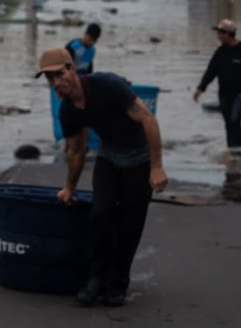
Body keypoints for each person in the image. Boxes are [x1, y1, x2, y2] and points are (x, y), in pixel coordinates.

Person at [35, 47, 168, 307]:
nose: (55, 83)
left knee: (129, 224)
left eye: (58, 75)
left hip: (140, 160)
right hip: (109, 158)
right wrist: (69, 188)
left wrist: (156, 167)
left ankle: (117, 284)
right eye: (49, 79)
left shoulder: (108, 85)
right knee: (100, 213)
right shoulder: (68, 111)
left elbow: (148, 119)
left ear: (72, 69)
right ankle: (95, 279)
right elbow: (76, 152)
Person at [193, 19, 241, 155]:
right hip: (224, 94)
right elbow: (210, 72)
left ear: (228, 34)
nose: (218, 36)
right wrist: (200, 89)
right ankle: (232, 151)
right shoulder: (220, 52)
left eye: (220, 33)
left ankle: (237, 152)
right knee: (228, 123)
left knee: (235, 120)